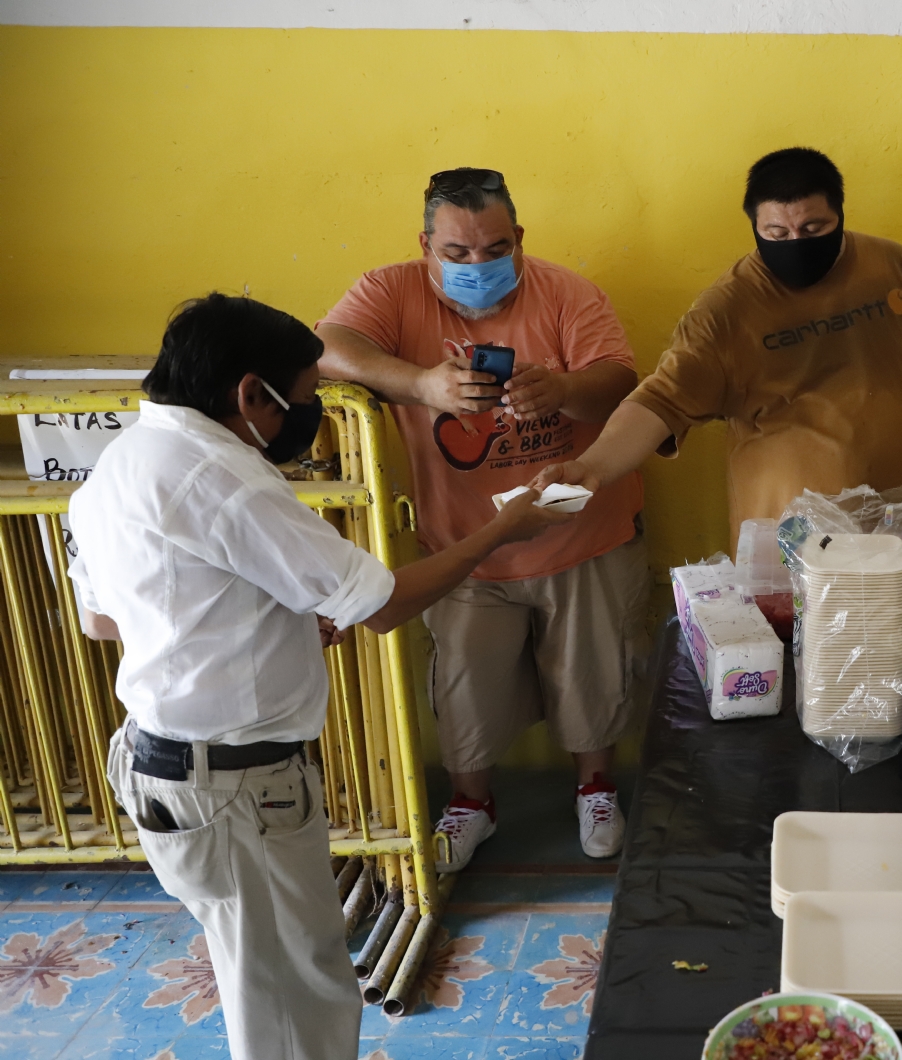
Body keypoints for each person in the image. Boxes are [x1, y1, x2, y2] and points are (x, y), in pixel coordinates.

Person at [71, 294, 570, 1060]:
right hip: (233, 786)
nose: (308, 417)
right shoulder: (222, 478)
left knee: (265, 978)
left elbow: (108, 620)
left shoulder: (123, 462)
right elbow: (383, 604)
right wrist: (505, 527)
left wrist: (264, 626)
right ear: (249, 395)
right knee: (292, 1000)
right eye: (302, 399)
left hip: (163, 764)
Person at [316, 168, 648, 864]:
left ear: (519, 238)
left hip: (580, 529)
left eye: (495, 250)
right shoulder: (390, 290)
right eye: (457, 254)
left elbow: (621, 384)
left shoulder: (567, 293)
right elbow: (326, 348)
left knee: (595, 675)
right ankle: (473, 802)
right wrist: (422, 384)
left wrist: (560, 390)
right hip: (463, 544)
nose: (477, 266)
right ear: (426, 245)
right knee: (466, 683)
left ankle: (596, 788)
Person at [533, 146, 902, 545]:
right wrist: (590, 468)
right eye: (776, 234)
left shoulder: (891, 266)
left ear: (840, 215)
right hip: (794, 540)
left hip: (898, 522)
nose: (795, 243)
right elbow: (659, 402)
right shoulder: (726, 311)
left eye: (813, 229)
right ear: (755, 225)